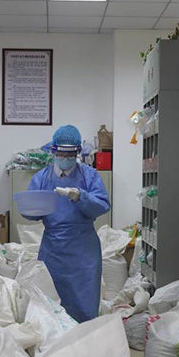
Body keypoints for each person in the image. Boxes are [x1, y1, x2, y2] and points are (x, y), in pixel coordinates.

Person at [24, 125, 110, 323]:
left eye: (70, 154)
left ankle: (84, 339)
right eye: (61, 154)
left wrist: (81, 196)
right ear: (53, 151)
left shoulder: (89, 176)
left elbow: (102, 205)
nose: (65, 158)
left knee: (85, 302)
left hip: (84, 249)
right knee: (51, 304)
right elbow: (31, 213)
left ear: (77, 152)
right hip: (53, 249)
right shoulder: (41, 178)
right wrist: (32, 208)